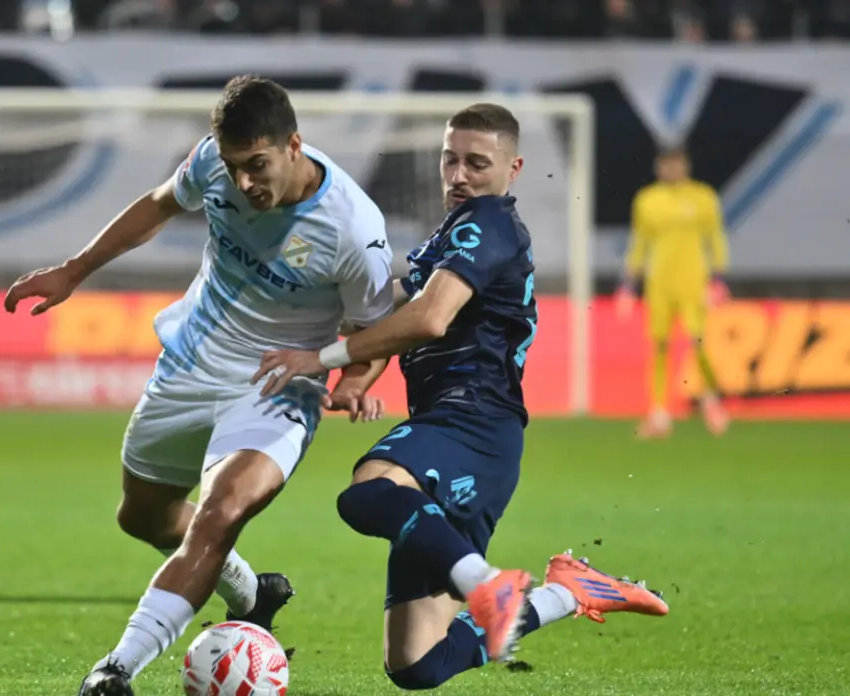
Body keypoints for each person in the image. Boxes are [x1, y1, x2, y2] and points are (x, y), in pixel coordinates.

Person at [254, 103, 669, 689]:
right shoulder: (453, 236)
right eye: (450, 159)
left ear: (513, 168)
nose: (459, 175)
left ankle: (485, 584)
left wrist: (321, 359)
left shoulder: (488, 224)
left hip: (469, 422)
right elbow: (389, 311)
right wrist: (356, 377)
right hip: (477, 440)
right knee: (416, 664)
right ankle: (567, 592)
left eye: (477, 163)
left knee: (368, 492)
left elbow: (429, 318)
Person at [3, 75, 394, 696]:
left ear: (294, 146)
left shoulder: (353, 229)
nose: (244, 182)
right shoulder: (213, 160)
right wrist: (73, 271)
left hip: (277, 384)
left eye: (257, 165)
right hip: (191, 363)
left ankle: (116, 669)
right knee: (144, 518)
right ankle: (251, 593)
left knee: (220, 512)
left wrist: (352, 378)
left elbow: (376, 332)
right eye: (235, 166)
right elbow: (159, 205)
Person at [617, 145, 731, 439]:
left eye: (676, 164)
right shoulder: (647, 200)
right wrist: (629, 285)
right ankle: (659, 414)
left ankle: (712, 401)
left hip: (693, 282)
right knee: (659, 346)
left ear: (686, 166)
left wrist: (718, 278)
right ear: (658, 168)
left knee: (699, 342)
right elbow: (640, 242)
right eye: (666, 165)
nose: (671, 170)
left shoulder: (703, 197)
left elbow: (715, 237)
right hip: (659, 284)